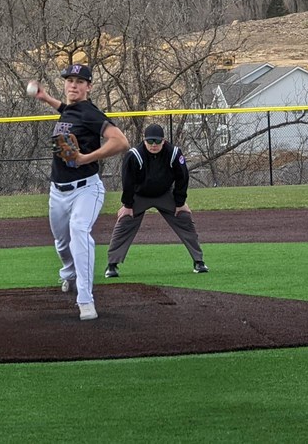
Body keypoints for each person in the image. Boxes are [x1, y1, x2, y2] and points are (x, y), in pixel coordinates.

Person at [30, 64, 129, 321]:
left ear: (89, 87)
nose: (73, 85)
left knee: (79, 232)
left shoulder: (90, 112)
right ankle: (69, 273)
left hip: (86, 188)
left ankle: (85, 299)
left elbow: (121, 141)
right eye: (69, 80)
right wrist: (47, 99)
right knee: (62, 244)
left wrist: (86, 158)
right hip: (58, 191)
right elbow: (67, 110)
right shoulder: (71, 110)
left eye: (79, 81)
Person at [105, 123, 206, 278]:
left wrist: (180, 203)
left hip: (164, 194)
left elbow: (182, 177)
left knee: (184, 219)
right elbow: (128, 182)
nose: (153, 145)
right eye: (150, 141)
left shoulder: (173, 153)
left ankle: (199, 262)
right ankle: (112, 265)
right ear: (144, 140)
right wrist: (127, 205)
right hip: (139, 195)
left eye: (157, 142)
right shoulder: (134, 155)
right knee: (125, 221)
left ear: (163, 141)